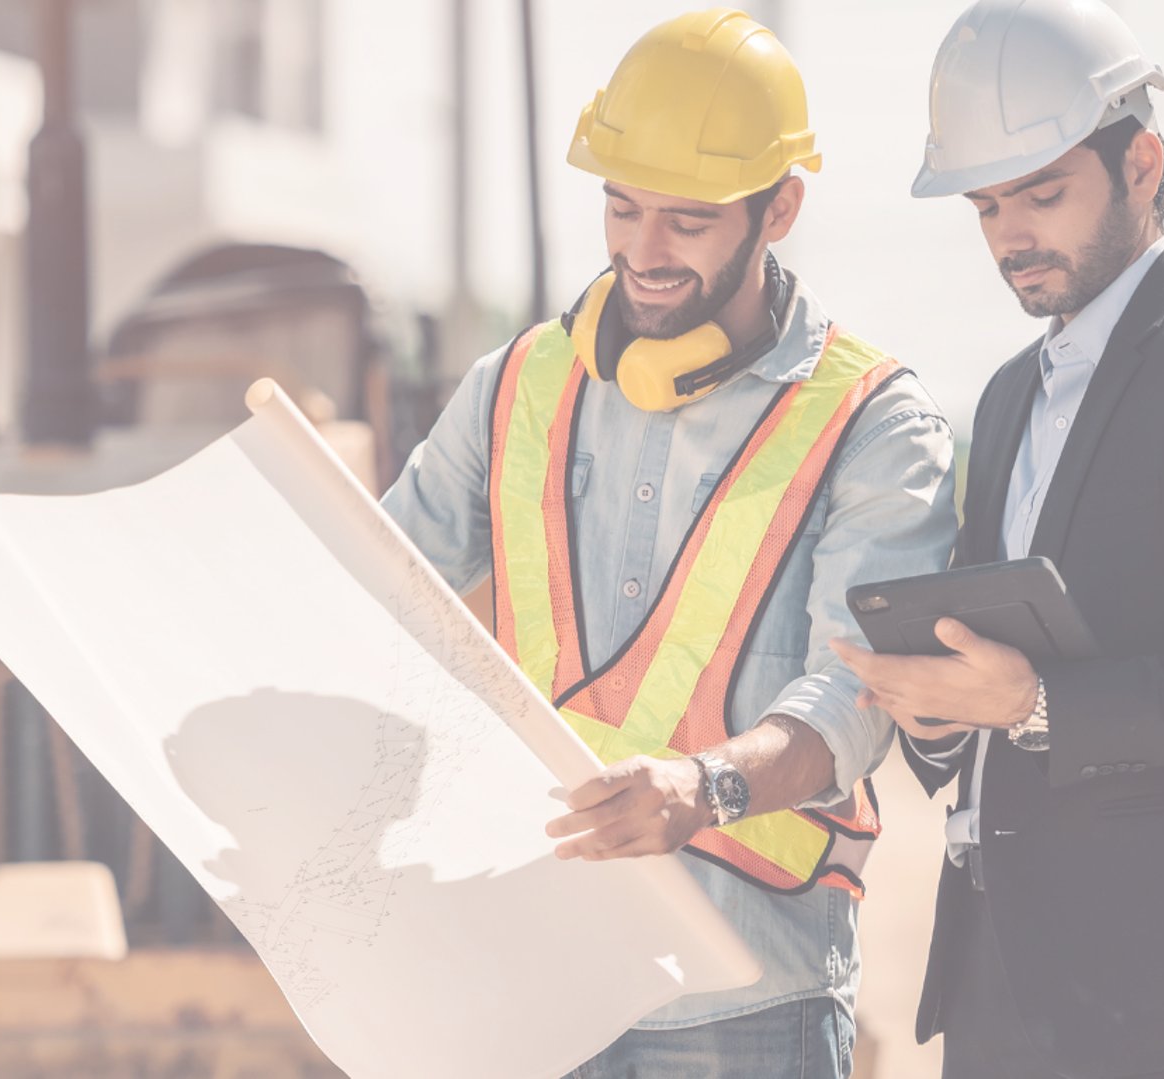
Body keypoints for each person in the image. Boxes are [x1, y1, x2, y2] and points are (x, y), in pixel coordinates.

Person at [382, 10, 958, 1076]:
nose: (642, 252)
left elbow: (856, 702)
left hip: (746, 998)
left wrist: (708, 787)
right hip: (535, 978)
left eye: (687, 221)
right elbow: (375, 593)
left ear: (780, 207)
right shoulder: (515, 386)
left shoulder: (873, 423)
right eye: (622, 206)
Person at [831, 2, 1164, 1076]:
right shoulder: (1013, 393)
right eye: (986, 205)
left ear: (1143, 164)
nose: (1011, 234)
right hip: (1002, 968)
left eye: (1042, 192)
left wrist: (1037, 704)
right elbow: (999, 671)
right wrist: (936, 708)